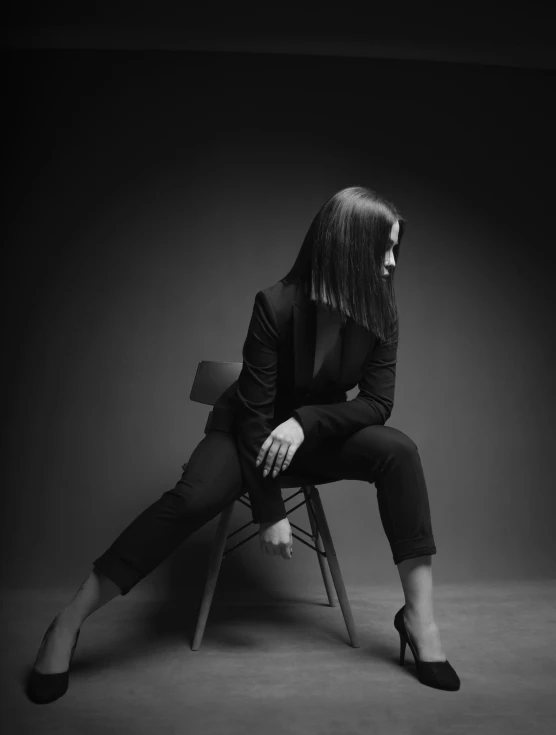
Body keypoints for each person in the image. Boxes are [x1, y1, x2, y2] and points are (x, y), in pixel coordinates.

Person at [26, 185, 460, 703]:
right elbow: (254, 415)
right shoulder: (275, 305)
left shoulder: (381, 308)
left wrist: (304, 422)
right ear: (345, 248)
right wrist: (269, 509)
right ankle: (68, 621)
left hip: (309, 435)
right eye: (382, 249)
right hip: (244, 432)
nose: (391, 263)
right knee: (192, 498)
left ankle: (419, 619)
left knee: (400, 451)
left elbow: (376, 404)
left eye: (396, 249)